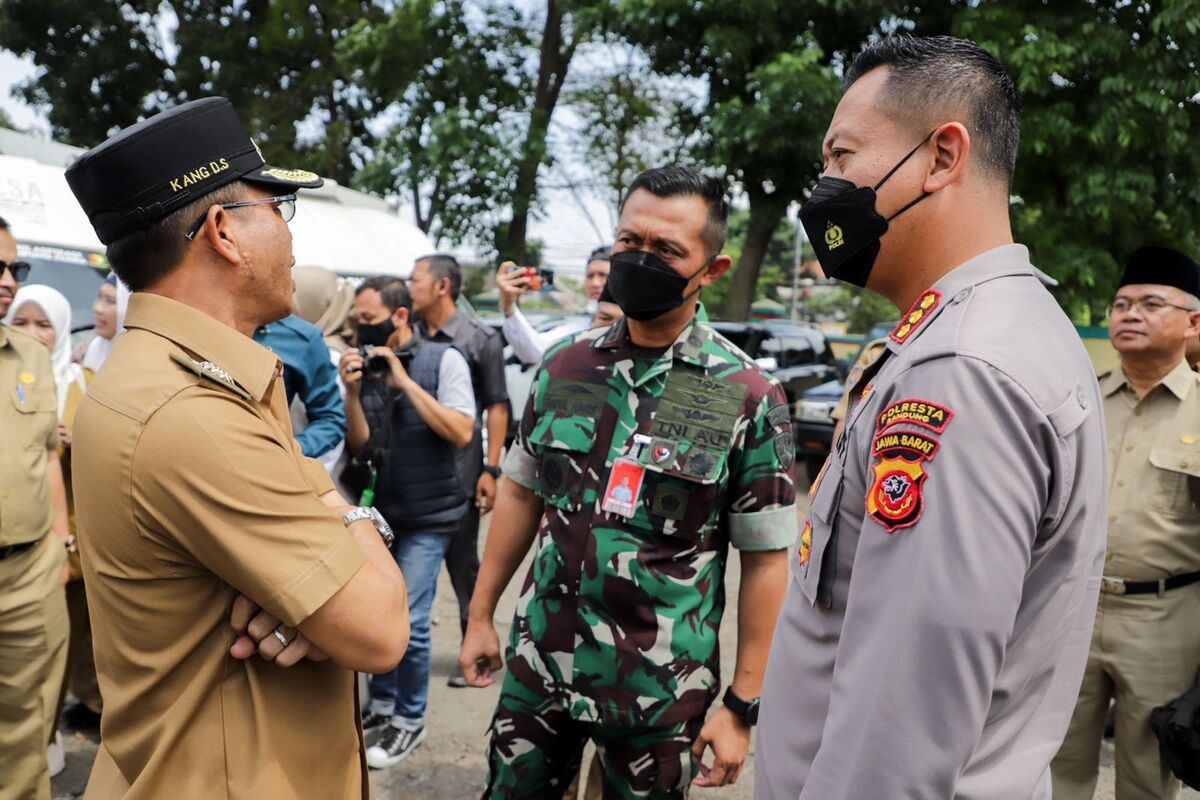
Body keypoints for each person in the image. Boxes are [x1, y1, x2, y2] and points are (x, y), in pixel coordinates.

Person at [754, 35, 1107, 800]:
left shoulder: (961, 372)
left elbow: (897, 731)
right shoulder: (997, 330)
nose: (824, 187)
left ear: (943, 156)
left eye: (842, 156)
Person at [64, 96, 409, 798]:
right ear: (224, 231)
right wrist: (357, 522)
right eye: (278, 209)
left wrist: (317, 582)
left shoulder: (172, 374)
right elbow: (378, 630)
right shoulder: (192, 412)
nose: (290, 236)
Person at [460, 165, 797, 799]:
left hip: (661, 692)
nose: (641, 260)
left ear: (711, 270)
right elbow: (521, 493)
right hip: (542, 669)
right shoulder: (565, 365)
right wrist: (481, 614)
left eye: (667, 250)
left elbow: (766, 559)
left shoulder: (746, 393)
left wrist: (743, 706)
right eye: (628, 242)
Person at [1051, 246, 1200, 800]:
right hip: (1072, 610)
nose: (1129, 313)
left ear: (1193, 322)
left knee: (1148, 774)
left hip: (1168, 620)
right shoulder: (1077, 401)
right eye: (1121, 303)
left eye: (1150, 303)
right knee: (1052, 761)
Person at [338, 276, 476, 768]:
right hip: (380, 515)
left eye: (369, 318)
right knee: (378, 617)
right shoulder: (363, 365)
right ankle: (380, 707)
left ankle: (409, 721)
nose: (360, 326)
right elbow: (359, 446)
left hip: (431, 515)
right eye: (356, 318)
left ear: (399, 316)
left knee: (413, 624)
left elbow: (462, 431)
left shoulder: (446, 359)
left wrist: (405, 381)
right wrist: (351, 394)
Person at [4, 285, 96, 770]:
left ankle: (47, 739)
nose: (33, 335)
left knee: (52, 658)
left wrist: (80, 441)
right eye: (22, 322)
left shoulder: (84, 381)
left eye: (44, 324)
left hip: (65, 547)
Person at [409, 253, 509, 686]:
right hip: (416, 475)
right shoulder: (409, 335)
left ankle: (475, 649)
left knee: (464, 565)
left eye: (415, 280)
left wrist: (491, 469)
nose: (409, 288)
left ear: (442, 286)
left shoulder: (479, 338)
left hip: (463, 473)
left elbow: (497, 407)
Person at [0, 219, 72, 800]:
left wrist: (61, 544)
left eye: (15, 270)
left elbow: (47, 456)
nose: (8, 282)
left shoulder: (29, 355)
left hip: (27, 572)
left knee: (24, 733)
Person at [253, 311, 347, 460]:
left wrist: (292, 449)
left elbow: (330, 418)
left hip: (261, 461)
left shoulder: (302, 338)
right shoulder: (207, 321)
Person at [496, 245, 612, 365]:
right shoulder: (578, 330)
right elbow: (535, 351)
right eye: (590, 276)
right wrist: (508, 306)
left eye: (602, 275)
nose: (595, 283)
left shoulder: (631, 330)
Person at [80, 273, 121, 372]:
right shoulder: (93, 348)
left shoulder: (140, 360)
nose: (97, 308)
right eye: (99, 297)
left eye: (110, 301)